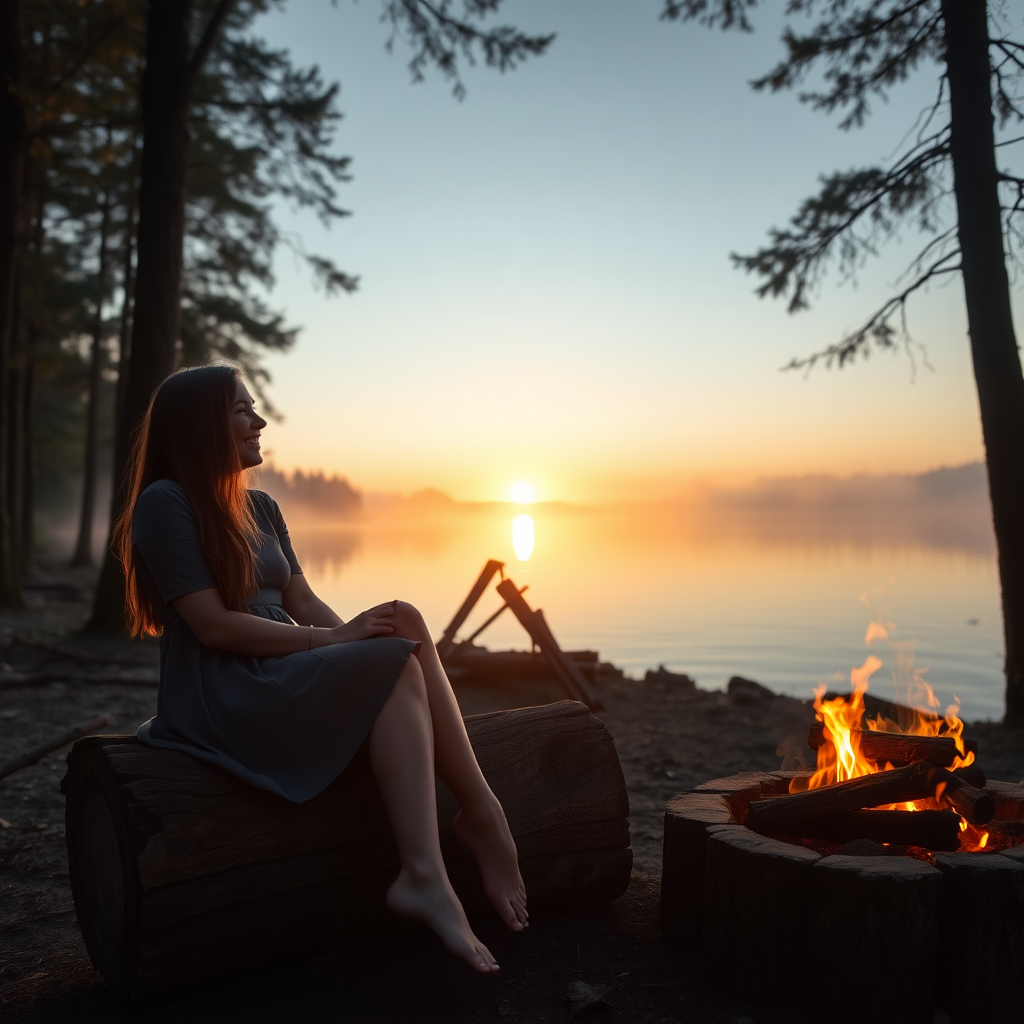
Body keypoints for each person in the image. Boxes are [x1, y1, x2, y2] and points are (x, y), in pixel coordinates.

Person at [117, 364, 526, 974]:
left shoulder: (262, 507)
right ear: (203, 425)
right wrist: (337, 643)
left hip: (283, 662)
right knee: (393, 664)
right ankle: (423, 874)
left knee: (404, 623)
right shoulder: (164, 502)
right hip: (224, 685)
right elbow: (212, 625)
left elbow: (303, 604)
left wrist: (358, 651)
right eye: (241, 411)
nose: (258, 423)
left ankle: (484, 813)